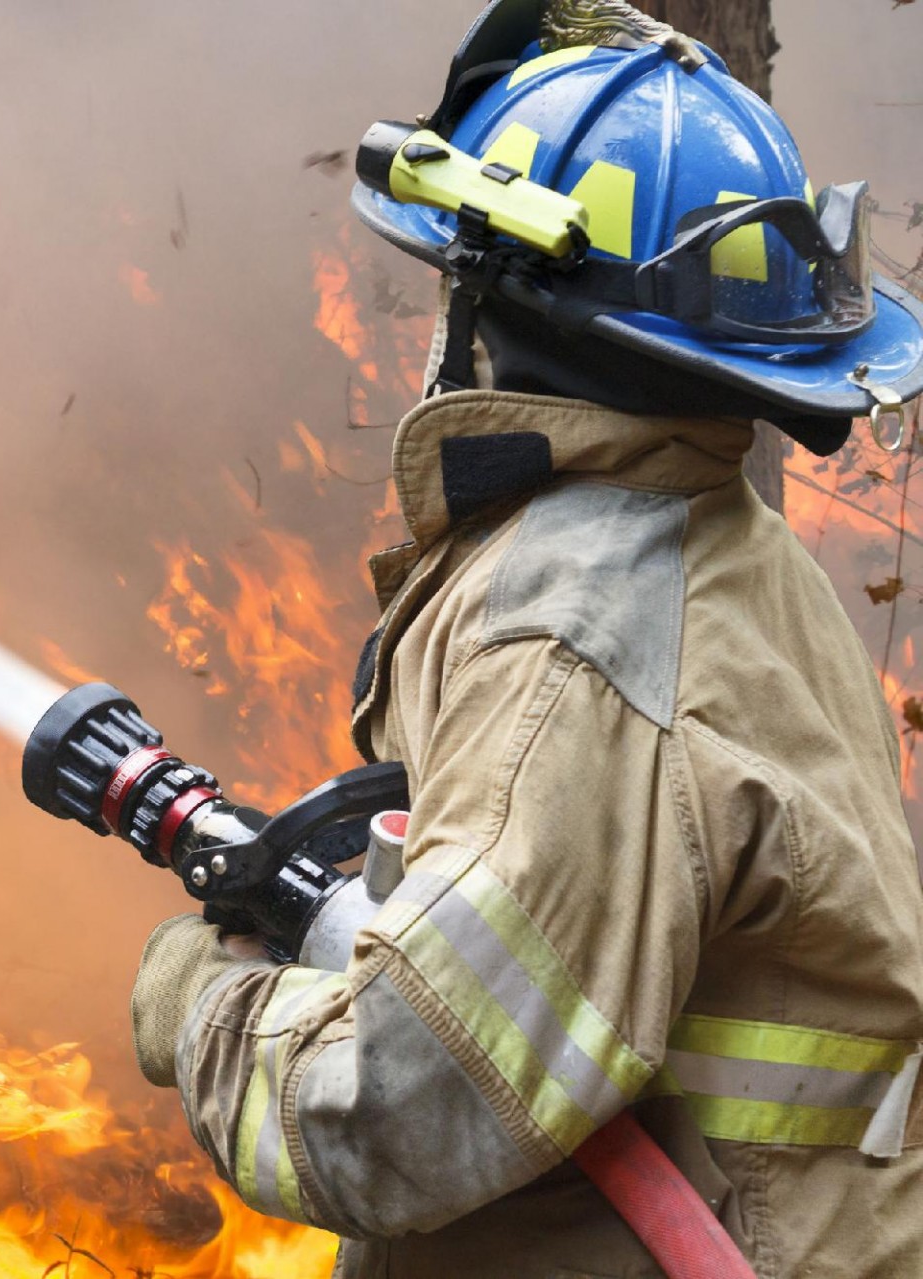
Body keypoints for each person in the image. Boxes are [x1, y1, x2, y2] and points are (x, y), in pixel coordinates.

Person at [127, 0, 923, 1274]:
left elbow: (395, 1111)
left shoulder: (578, 642)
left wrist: (197, 999)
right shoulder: (711, 540)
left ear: (498, 304)